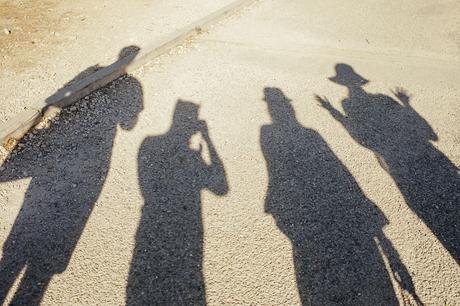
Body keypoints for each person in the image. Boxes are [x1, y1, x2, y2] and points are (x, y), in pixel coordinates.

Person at [0, 46, 143, 305]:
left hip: (81, 166)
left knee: (12, 254)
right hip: (99, 161)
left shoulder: (94, 73)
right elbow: (129, 124)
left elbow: (53, 100)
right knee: (36, 272)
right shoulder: (130, 82)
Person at [261, 87, 418, 305]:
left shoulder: (269, 132)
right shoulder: (289, 133)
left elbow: (278, 169)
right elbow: (338, 167)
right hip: (300, 204)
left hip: (292, 207)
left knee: (313, 266)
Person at [316, 63, 460, 264]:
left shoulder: (348, 105)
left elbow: (359, 136)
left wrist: (333, 112)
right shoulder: (382, 100)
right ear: (358, 80)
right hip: (425, 154)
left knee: (434, 213)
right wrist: (407, 104)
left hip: (397, 164)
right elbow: (427, 132)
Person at [127, 100, 228, 305]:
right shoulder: (190, 154)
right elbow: (221, 188)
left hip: (150, 221)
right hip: (189, 226)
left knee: (145, 272)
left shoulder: (148, 143)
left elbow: (145, 186)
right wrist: (208, 140)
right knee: (188, 273)